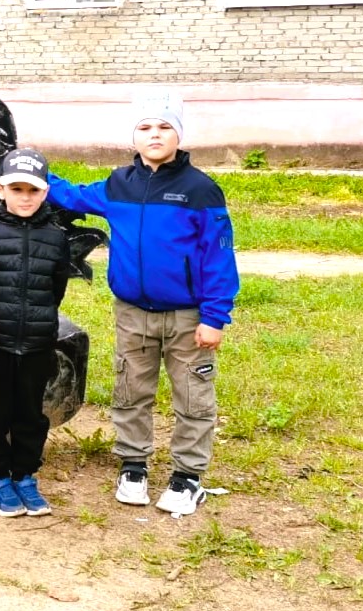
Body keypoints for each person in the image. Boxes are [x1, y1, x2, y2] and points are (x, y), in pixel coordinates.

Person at [47, 92, 238, 516]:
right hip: (132, 313)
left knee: (193, 396)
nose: (155, 134)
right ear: (134, 136)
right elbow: (73, 196)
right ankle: (133, 466)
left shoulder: (200, 190)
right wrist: (33, 171)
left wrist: (214, 316)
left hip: (188, 316)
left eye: (165, 127)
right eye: (146, 127)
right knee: (131, 390)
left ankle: (187, 476)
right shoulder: (118, 185)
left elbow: (219, 256)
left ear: (178, 134)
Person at [0, 148, 72, 518]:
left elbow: (56, 287)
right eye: (16, 189)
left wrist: (39, 323)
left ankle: (25, 474)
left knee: (30, 414)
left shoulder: (55, 238)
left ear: (45, 192)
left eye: (33, 190)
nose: (25, 197)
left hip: (36, 344)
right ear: (0, 190)